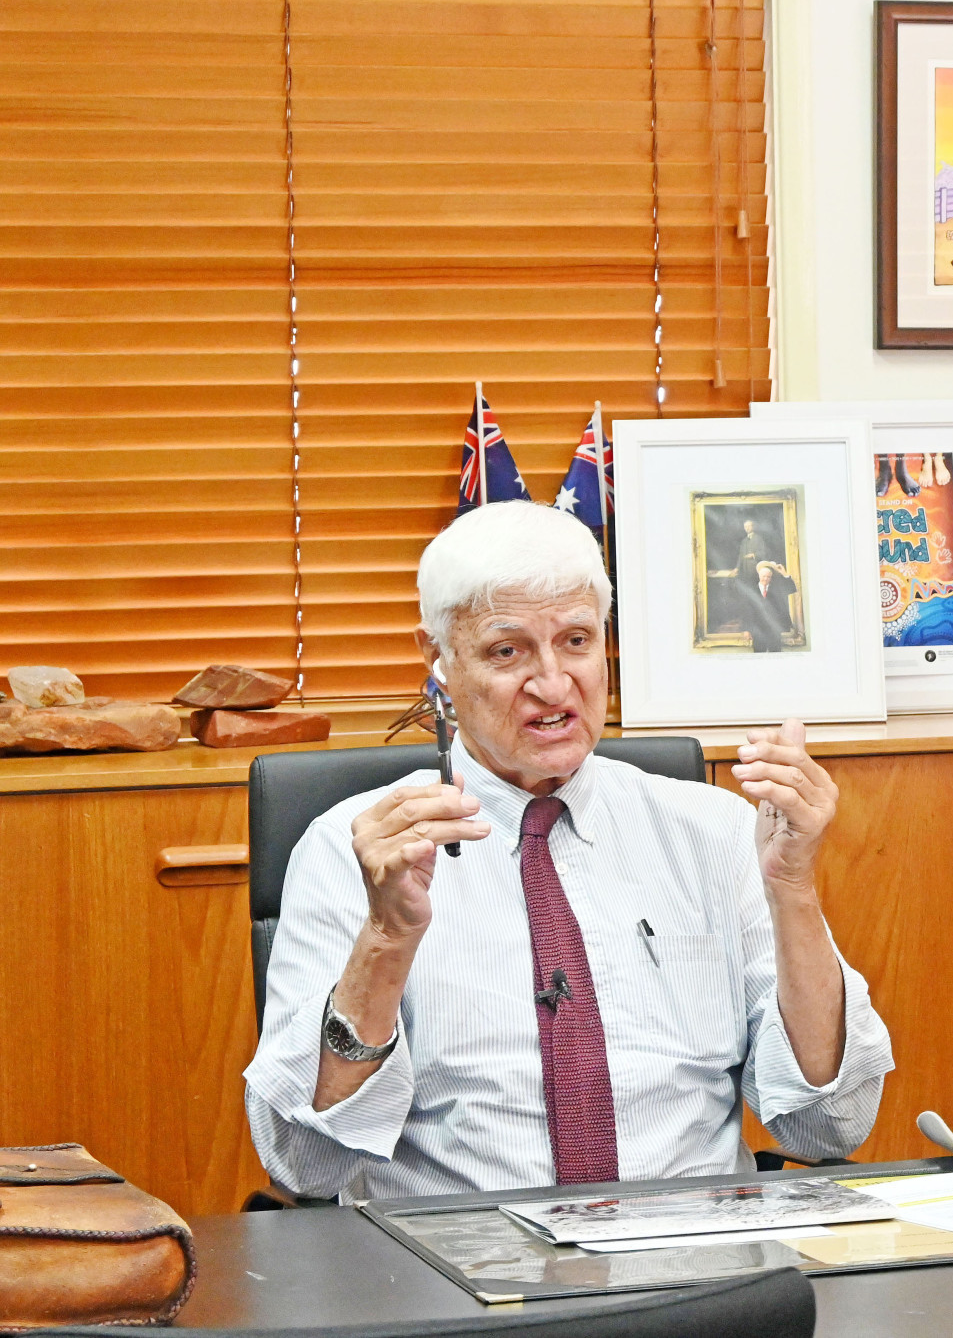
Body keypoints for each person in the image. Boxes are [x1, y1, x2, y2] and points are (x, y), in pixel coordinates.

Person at [244, 501, 891, 1202]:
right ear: (436, 659)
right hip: (461, 1271)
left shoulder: (715, 833)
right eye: (507, 650)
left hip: (697, 1266)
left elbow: (832, 1124)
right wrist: (387, 938)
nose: (553, 686)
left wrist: (792, 890)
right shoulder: (356, 852)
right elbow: (303, 1164)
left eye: (576, 641)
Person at [738, 560, 801, 653]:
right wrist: (746, 629)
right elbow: (746, 611)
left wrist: (784, 573)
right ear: (759, 575)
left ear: (771, 578)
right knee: (759, 655)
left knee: (775, 654)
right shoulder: (751, 591)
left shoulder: (776, 590)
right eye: (764, 576)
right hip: (758, 630)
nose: (766, 579)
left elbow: (791, 589)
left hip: (774, 629)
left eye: (768, 577)